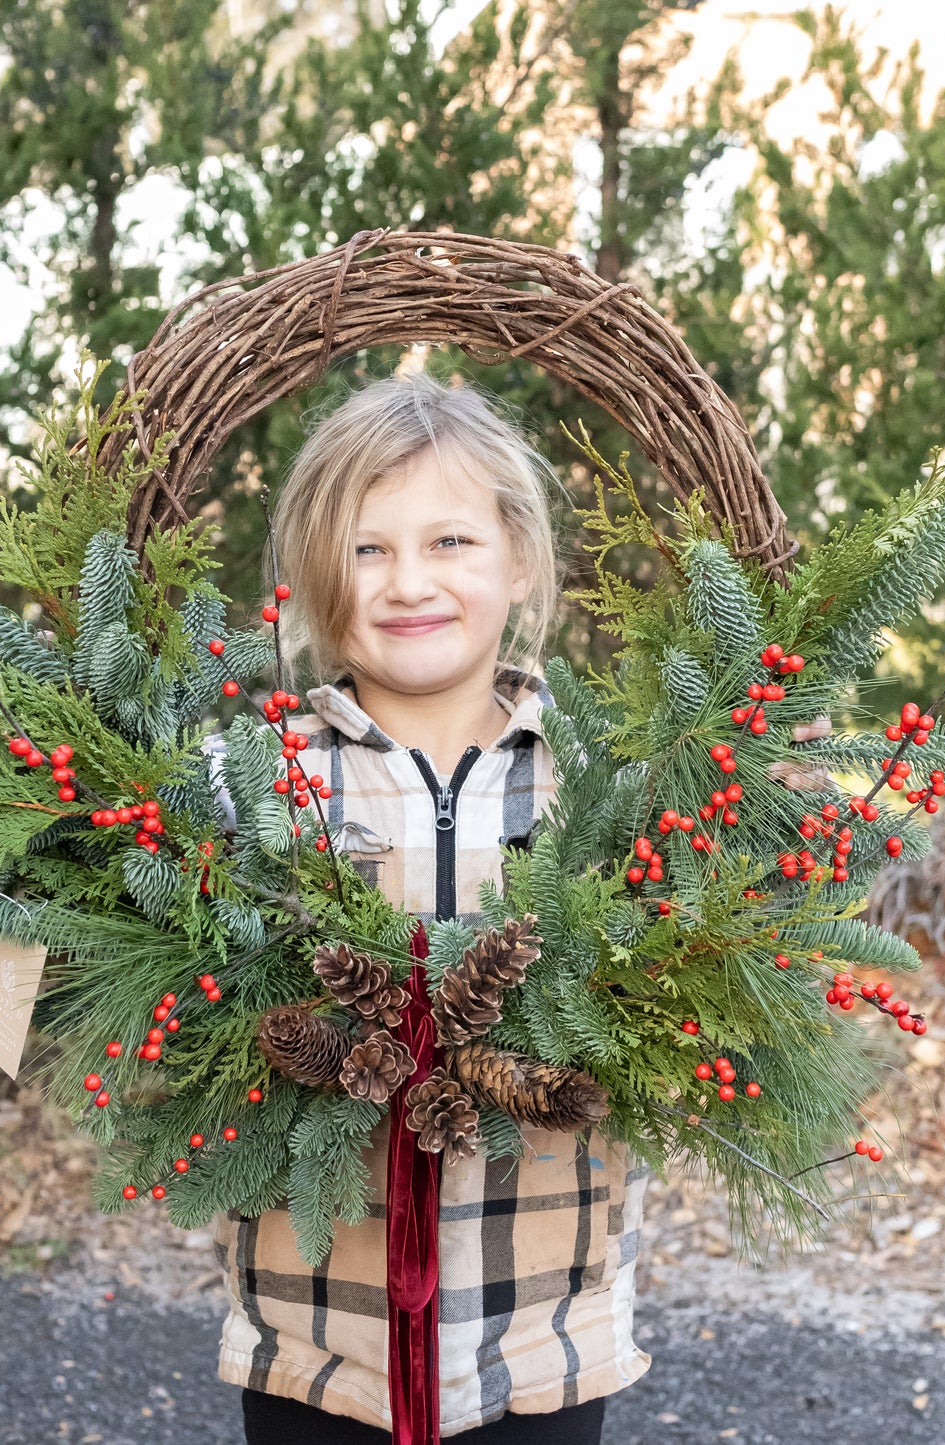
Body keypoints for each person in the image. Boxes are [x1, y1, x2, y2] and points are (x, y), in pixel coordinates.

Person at [202, 371, 652, 1441]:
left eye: (449, 541)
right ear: (317, 571)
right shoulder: (257, 779)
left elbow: (707, 979)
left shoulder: (606, 784)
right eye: (367, 547)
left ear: (519, 558)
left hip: (541, 1333)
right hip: (314, 1340)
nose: (408, 580)